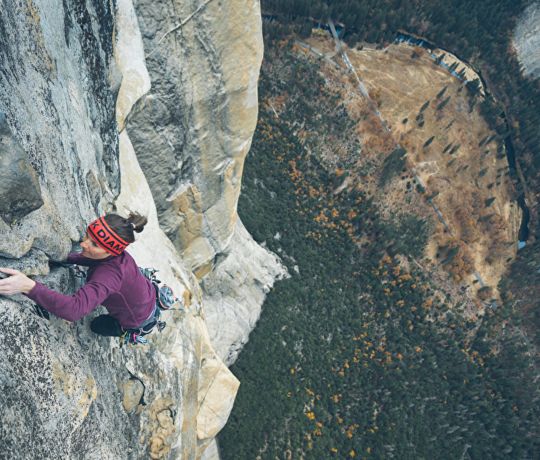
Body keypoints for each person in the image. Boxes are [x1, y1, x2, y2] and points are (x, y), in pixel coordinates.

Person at [0, 212, 160, 342]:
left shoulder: (108, 276)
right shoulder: (116, 254)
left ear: (111, 251)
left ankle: (126, 330)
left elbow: (74, 310)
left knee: (97, 326)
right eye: (87, 236)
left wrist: (28, 286)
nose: (84, 244)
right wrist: (64, 257)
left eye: (95, 244)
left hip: (138, 319)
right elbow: (95, 259)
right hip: (146, 294)